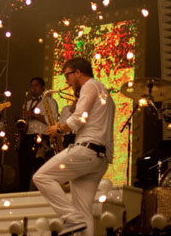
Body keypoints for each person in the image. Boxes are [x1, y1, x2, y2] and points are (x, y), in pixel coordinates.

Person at [33, 58, 115, 236]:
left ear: (78, 72)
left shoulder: (90, 86)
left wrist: (59, 129)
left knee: (41, 177)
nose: (66, 81)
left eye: (67, 75)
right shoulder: (105, 93)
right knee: (85, 213)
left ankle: (71, 217)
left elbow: (80, 117)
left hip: (86, 150)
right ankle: (76, 219)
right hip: (99, 157)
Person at [18, 77, 59, 190]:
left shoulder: (50, 101)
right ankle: (23, 193)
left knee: (40, 168)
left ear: (43, 87)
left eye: (36, 85)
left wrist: (34, 115)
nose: (33, 88)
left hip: (42, 137)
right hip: (27, 137)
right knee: (24, 169)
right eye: (31, 86)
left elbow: (53, 121)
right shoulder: (27, 103)